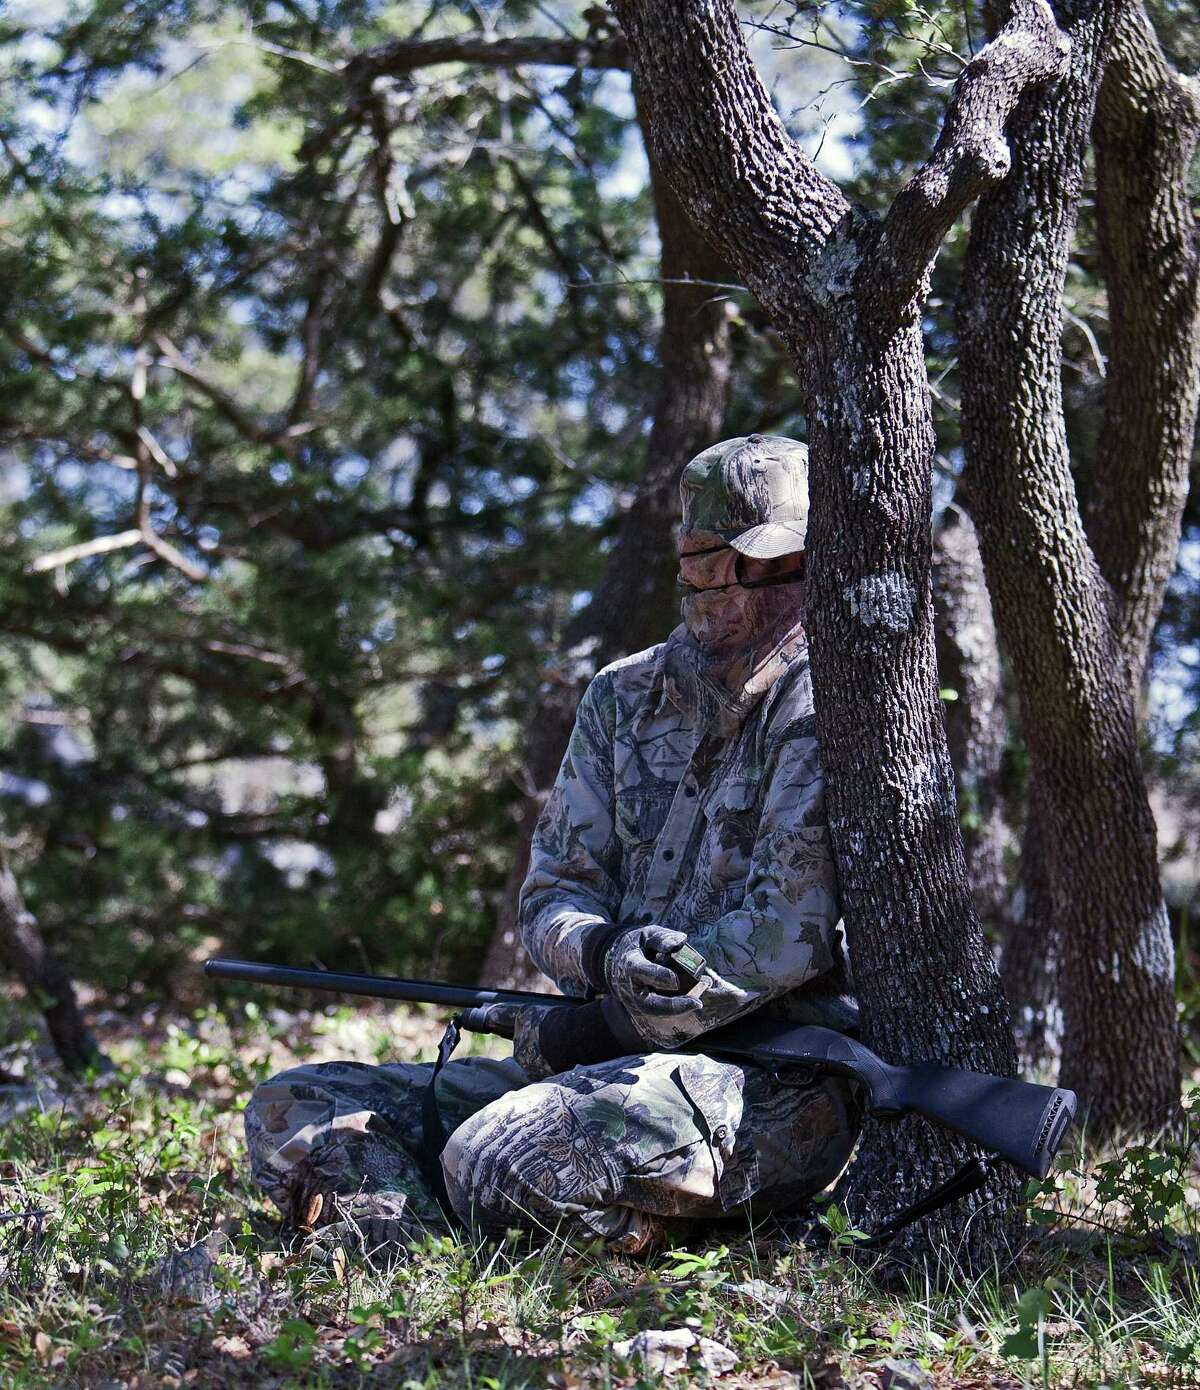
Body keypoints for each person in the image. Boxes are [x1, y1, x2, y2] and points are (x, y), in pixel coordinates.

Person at [242, 434, 863, 1265]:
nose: (761, 589)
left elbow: (787, 934)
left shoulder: (833, 701)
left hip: (767, 1082)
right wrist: (601, 954)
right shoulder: (622, 697)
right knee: (296, 1103)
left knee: (500, 1158)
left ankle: (519, 1232)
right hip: (595, 1063)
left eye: (786, 565)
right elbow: (552, 895)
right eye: (733, 564)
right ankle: (407, 1253)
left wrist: (610, 1021)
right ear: (691, 564)